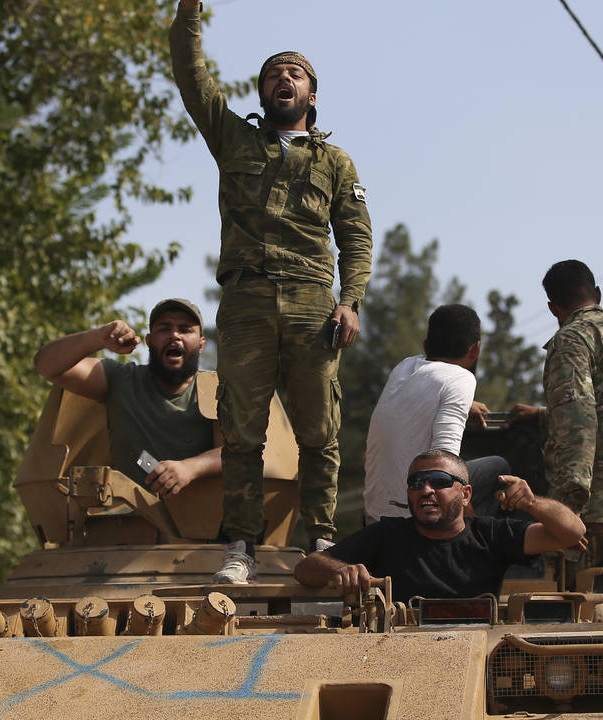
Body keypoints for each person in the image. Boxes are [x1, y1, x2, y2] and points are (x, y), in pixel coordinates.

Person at [170, 1, 373, 583]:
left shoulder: (335, 161)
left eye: (295, 73)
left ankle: (322, 539)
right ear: (261, 93)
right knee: (241, 428)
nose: (282, 78)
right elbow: (190, 72)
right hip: (247, 299)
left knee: (319, 429)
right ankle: (241, 544)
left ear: (312, 95)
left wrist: (350, 300)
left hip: (314, 302)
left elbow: (356, 239)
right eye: (271, 74)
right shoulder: (233, 138)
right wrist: (189, 10)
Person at [509, 259, 603, 584]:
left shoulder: (571, 340)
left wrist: (569, 505)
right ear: (597, 293)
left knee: (569, 611)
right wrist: (544, 416)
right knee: (598, 604)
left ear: (552, 307)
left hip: (588, 504)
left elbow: (578, 419)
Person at [294, 450, 585, 600]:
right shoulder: (387, 535)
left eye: (441, 482)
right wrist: (341, 568)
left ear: (466, 493)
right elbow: (305, 569)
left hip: (474, 652)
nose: (426, 490)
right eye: (417, 483)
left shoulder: (491, 534)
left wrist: (532, 504)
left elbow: (572, 532)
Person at [33, 298, 221, 496]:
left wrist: (190, 468)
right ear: (149, 341)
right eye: (164, 329)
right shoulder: (121, 380)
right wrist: (99, 337)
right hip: (130, 521)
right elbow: (46, 364)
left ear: (201, 344)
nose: (174, 335)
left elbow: (233, 453)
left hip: (200, 522)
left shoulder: (216, 388)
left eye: (185, 329)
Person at [363, 304, 510, 524]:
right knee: (499, 467)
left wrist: (465, 402)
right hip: (410, 516)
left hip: (373, 512)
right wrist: (470, 532)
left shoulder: (404, 367)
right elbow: (444, 464)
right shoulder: (461, 379)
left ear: (425, 345)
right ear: (475, 349)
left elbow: (427, 387)